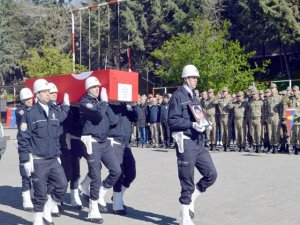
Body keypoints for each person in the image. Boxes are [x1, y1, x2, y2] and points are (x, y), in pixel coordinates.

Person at [168, 65, 217, 225]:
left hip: (198, 141)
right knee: (187, 179)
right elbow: (172, 121)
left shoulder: (193, 96)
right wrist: (191, 125)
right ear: (186, 78)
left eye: (196, 78)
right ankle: (184, 217)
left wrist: (204, 123)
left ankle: (191, 200)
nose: (196, 80)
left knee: (211, 174)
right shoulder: (177, 96)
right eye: (193, 77)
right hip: (186, 141)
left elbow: (198, 115)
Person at [18, 79, 70, 225]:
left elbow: (56, 135)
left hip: (53, 159)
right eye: (45, 92)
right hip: (38, 160)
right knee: (40, 193)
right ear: (37, 94)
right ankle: (37, 219)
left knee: (62, 185)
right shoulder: (30, 114)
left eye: (49, 91)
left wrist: (66, 106)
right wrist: (25, 160)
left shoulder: (54, 111)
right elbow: (23, 139)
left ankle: (47, 209)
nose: (49, 94)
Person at [80, 76, 121, 223]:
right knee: (95, 175)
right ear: (88, 89)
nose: (97, 89)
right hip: (92, 142)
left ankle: (100, 193)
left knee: (116, 170)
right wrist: (104, 103)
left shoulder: (100, 102)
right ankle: (93, 209)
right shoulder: (85, 102)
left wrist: (106, 104)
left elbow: (114, 121)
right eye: (94, 87)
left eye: (98, 87)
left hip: (104, 142)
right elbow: (97, 116)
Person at [108, 102, 137, 215]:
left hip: (125, 143)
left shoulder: (126, 105)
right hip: (114, 141)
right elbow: (112, 121)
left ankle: (117, 196)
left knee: (131, 174)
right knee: (119, 173)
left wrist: (134, 105)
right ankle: (117, 203)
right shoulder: (112, 104)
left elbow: (137, 117)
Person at [16, 87, 34, 212]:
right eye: (26, 99)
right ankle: (26, 198)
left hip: (35, 144)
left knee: (35, 172)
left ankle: (33, 194)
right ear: (22, 100)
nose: (29, 101)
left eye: (30, 98)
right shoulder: (21, 111)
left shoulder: (32, 108)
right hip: (24, 144)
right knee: (26, 172)